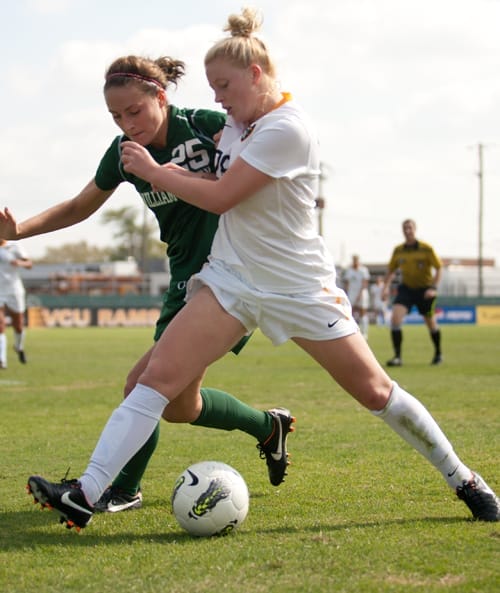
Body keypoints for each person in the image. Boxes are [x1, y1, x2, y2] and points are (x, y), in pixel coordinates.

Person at [25, 7, 498, 530]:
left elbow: (224, 197)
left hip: (298, 286)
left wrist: (158, 172)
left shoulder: (288, 129)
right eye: (210, 87)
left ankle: (464, 478)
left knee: (374, 392)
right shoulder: (233, 125)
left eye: (223, 85)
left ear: (256, 75)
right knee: (153, 380)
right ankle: (85, 494)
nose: (216, 98)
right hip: (231, 281)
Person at [0, 53, 296, 512]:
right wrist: (19, 231)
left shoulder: (208, 125)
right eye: (116, 116)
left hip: (231, 277)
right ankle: (266, 426)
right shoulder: (124, 153)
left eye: (134, 111)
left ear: (161, 96)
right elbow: (80, 206)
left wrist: (172, 174)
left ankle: (121, 489)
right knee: (180, 405)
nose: (127, 123)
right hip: (184, 281)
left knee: (142, 385)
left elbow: (245, 180)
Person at [382, 219, 443, 367]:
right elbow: (391, 270)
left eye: (410, 228)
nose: (407, 231)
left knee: (430, 322)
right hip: (407, 289)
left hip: (424, 290)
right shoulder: (398, 250)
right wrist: (385, 288)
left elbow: (439, 268)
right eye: (405, 228)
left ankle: (438, 353)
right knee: (395, 319)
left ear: (415, 229)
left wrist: (433, 288)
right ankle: (397, 357)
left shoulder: (426, 249)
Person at [0, 239, 32, 368]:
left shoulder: (14, 246)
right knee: (0, 325)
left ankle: (19, 347)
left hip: (14, 290)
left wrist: (18, 262)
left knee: (18, 325)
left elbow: (29, 264)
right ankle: (2, 360)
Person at [342, 254, 370, 339]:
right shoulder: (349, 271)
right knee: (350, 312)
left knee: (363, 312)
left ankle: (364, 333)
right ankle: (352, 331)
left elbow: (365, 283)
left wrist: (360, 294)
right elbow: (347, 283)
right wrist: (346, 293)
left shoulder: (363, 270)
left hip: (362, 293)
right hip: (351, 293)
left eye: (356, 260)